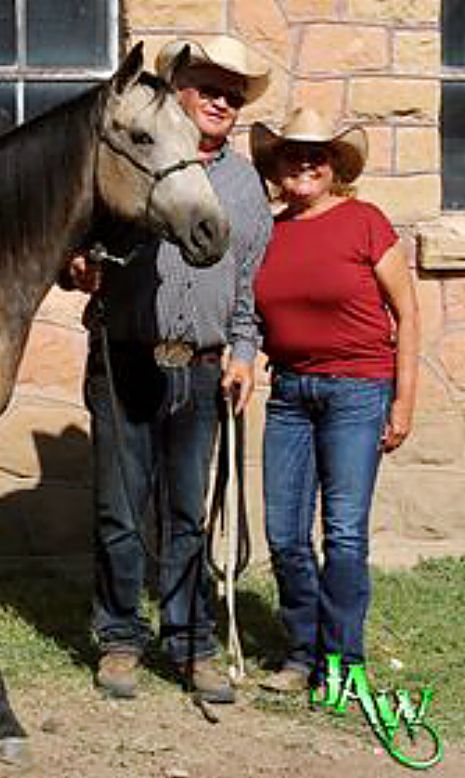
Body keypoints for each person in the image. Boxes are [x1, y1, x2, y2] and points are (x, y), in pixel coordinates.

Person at [65, 36, 273, 702]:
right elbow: (72, 250)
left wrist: (244, 354)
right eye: (208, 88)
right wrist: (76, 267)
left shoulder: (245, 186)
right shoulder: (130, 158)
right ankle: (120, 639)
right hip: (125, 358)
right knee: (120, 513)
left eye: (232, 95)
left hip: (203, 370)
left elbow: (249, 287)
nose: (221, 102)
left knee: (187, 514)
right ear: (178, 90)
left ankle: (190, 643)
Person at [250, 108, 420, 693]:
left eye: (316, 155)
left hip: (357, 391)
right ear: (277, 166)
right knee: (284, 534)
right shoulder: (268, 232)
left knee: (344, 533)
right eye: (293, 153)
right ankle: (302, 654)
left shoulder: (364, 221)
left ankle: (342, 663)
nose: (304, 163)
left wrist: (403, 402)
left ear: (334, 167)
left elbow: (407, 314)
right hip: (289, 393)